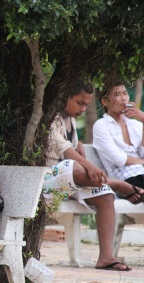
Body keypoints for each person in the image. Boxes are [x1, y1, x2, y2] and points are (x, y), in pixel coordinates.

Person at [43, 79, 144, 272]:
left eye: (87, 105)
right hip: (49, 181)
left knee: (105, 196)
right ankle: (115, 183)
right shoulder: (52, 118)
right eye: (79, 103)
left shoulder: (70, 119)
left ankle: (106, 257)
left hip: (70, 184)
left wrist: (79, 148)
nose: (83, 109)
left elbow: (73, 148)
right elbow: (63, 150)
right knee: (74, 167)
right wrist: (86, 163)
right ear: (65, 98)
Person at [93, 81, 144, 204]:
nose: (124, 98)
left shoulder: (135, 125)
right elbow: (118, 159)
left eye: (125, 93)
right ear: (105, 102)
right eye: (117, 95)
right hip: (126, 179)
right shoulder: (101, 126)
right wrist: (142, 162)